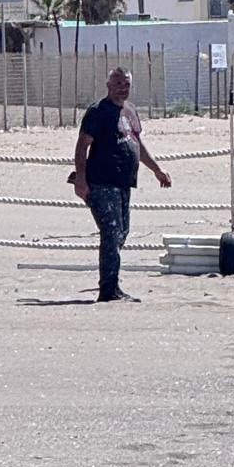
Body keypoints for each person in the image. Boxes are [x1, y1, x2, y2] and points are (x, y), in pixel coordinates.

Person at [73, 67, 172, 303]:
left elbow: (136, 143)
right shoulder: (98, 112)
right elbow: (82, 146)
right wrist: (81, 178)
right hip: (101, 181)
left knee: (122, 232)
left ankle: (111, 281)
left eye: (126, 84)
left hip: (123, 182)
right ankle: (108, 289)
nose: (123, 88)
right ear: (109, 85)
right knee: (111, 232)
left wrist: (157, 169)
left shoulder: (130, 111)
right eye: (118, 84)